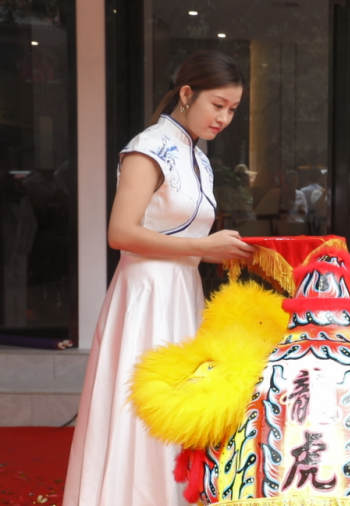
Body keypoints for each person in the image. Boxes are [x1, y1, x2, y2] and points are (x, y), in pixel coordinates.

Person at [63, 50, 256, 506]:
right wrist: (202, 248)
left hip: (181, 289)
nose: (225, 118)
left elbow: (185, 235)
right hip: (146, 291)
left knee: (178, 401)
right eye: (218, 105)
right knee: (143, 405)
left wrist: (219, 253)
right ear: (187, 93)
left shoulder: (199, 158)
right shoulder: (148, 146)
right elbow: (121, 232)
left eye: (233, 110)